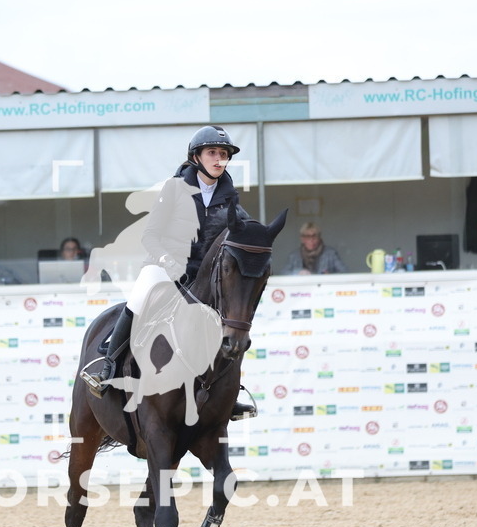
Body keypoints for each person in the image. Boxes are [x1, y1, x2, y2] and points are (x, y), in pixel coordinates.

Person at [83, 125, 257, 420]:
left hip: (203, 277)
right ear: (196, 157)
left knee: (233, 322)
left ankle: (231, 391)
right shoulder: (174, 189)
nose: (219, 159)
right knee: (138, 299)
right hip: (165, 267)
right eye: (212, 152)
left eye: (224, 154)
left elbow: (243, 231)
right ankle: (107, 365)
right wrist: (166, 259)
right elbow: (150, 235)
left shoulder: (230, 197)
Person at [283, 221, 347, 274]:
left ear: (319, 238)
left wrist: (330, 275)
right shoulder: (294, 256)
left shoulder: (331, 253)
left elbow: (344, 272)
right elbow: (283, 274)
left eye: (314, 236)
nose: (311, 240)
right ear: (302, 239)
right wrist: (298, 273)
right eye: (307, 236)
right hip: (301, 288)